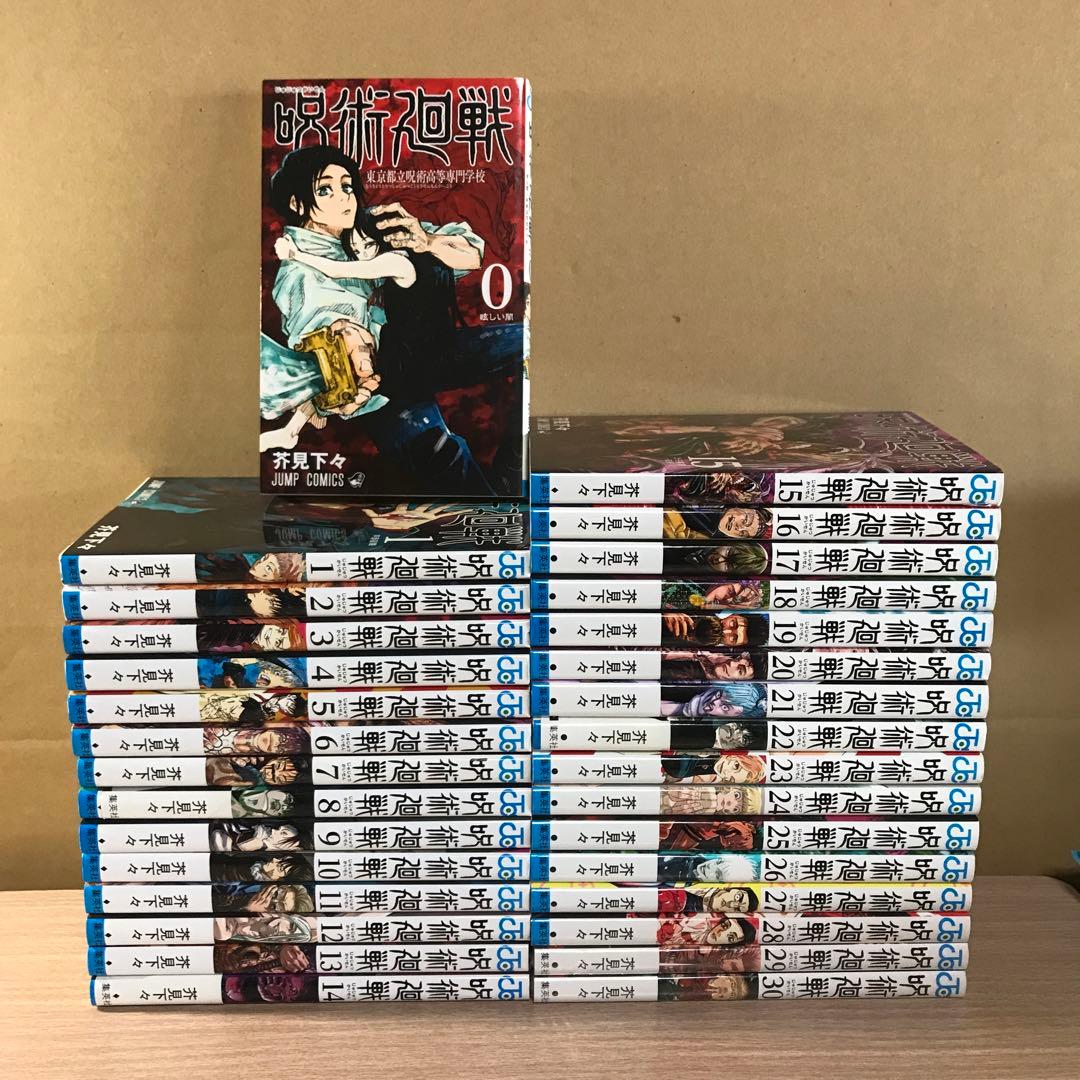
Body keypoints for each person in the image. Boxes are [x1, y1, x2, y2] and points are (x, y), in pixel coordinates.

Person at [660, 683, 767, 719]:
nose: (714, 702)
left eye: (725, 707)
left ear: (737, 715)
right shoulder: (689, 686)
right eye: (718, 695)